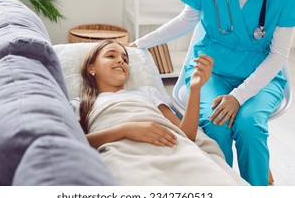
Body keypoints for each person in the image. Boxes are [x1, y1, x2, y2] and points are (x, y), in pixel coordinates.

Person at [129, 0, 295, 186]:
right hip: (211, 69)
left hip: (261, 73)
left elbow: (279, 53)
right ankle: (222, 190)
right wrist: (140, 43)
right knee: (216, 124)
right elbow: (186, 20)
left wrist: (238, 97)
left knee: (250, 126)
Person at [78, 39, 248, 186]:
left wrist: (195, 88)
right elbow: (75, 141)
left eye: (125, 59)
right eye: (111, 56)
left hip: (174, 150)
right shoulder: (80, 105)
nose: (121, 61)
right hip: (126, 158)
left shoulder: (147, 92)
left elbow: (186, 135)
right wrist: (127, 130)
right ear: (91, 68)